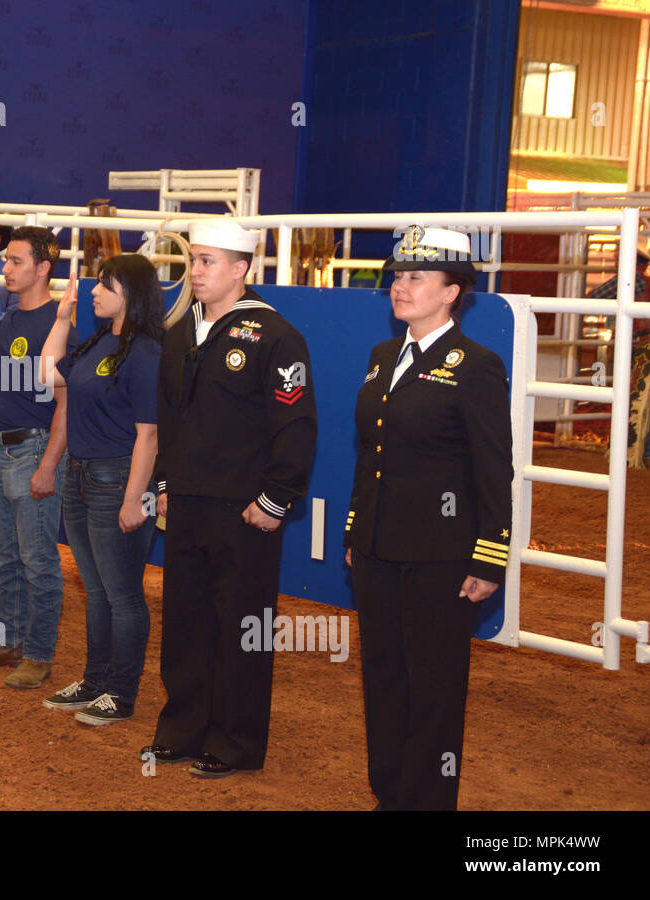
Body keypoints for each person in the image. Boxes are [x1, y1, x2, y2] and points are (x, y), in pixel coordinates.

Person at [345, 225, 512, 811]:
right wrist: (355, 530)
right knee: (384, 676)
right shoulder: (383, 355)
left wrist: (490, 556)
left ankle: (427, 800)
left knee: (435, 686)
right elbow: (371, 453)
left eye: (417, 276)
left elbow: (494, 468)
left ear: (452, 292)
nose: (401, 285)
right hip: (376, 549)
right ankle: (389, 794)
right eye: (398, 275)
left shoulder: (477, 365)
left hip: (440, 555)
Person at [143, 219, 318, 779]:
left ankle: (236, 742)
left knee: (242, 626)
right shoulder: (178, 334)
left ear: (240, 270)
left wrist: (274, 498)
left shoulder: (276, 336)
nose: (194, 271)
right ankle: (182, 729)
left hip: (244, 509)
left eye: (208, 261)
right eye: (193, 260)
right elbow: (170, 419)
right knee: (186, 622)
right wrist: (165, 483)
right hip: (188, 503)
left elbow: (296, 424)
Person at [39, 253, 162, 725]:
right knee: (96, 590)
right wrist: (62, 316)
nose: (93, 291)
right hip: (81, 477)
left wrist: (135, 498)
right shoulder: (96, 344)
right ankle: (96, 680)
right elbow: (45, 371)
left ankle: (121, 692)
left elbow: (149, 435)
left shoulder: (147, 352)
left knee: (123, 593)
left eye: (103, 285)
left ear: (128, 293)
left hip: (116, 481)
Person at [0, 226, 75, 689]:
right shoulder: (10, 318)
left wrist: (48, 465)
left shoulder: (58, 321)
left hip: (33, 449)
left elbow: (67, 405)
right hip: (1, 449)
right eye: (6, 260)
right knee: (7, 557)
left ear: (43, 268)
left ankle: (39, 654)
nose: (6, 268)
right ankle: (8, 642)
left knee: (38, 559)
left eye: (16, 261)